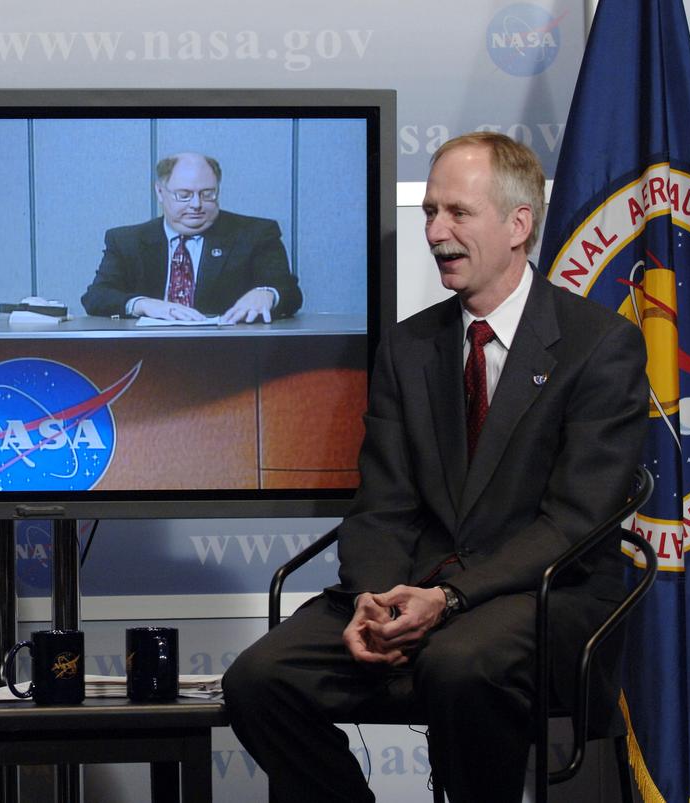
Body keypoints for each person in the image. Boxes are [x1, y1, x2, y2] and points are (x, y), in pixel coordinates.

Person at [222, 132, 648, 802]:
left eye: (457, 212)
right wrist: (372, 595)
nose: (436, 231)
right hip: (412, 591)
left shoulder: (601, 347)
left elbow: (573, 520)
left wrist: (448, 599)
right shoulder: (409, 346)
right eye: (429, 212)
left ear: (518, 224)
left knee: (458, 663)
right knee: (258, 677)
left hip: (543, 599)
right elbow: (383, 499)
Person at [80, 152, 302, 322]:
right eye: (184, 195)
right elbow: (97, 297)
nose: (196, 205)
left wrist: (267, 294)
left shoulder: (255, 234)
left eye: (207, 194)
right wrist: (142, 304)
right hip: (145, 356)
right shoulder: (127, 241)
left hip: (229, 356)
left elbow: (290, 292)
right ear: (160, 192)